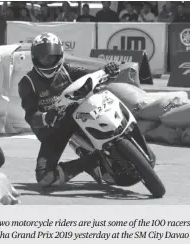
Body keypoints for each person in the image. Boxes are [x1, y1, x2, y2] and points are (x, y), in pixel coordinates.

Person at [18, 32, 120, 187]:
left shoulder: (67, 69)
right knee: (44, 179)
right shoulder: (27, 82)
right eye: (43, 57)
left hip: (79, 119)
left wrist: (107, 71)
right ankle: (89, 162)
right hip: (52, 131)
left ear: (59, 55)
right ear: (35, 58)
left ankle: (115, 146)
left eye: (52, 56)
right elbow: (30, 116)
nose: (48, 60)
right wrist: (46, 117)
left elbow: (91, 76)